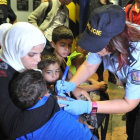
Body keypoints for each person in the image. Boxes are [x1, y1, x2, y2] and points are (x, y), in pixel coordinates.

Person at [56, 5, 140, 140]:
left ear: (116, 42)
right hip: (132, 86)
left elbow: (129, 103)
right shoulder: (106, 35)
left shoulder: (137, 55)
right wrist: (72, 84)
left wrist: (88, 106)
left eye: (98, 46)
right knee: (131, 127)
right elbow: (89, 66)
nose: (94, 50)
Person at [0, 22, 62, 140]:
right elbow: (13, 128)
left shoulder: (18, 66)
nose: (38, 60)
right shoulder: (3, 78)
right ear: (16, 48)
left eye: (40, 53)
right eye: (32, 54)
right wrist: (53, 102)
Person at [10, 69, 97, 140]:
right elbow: (76, 118)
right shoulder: (56, 102)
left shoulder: (20, 127)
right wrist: (85, 124)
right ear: (46, 93)